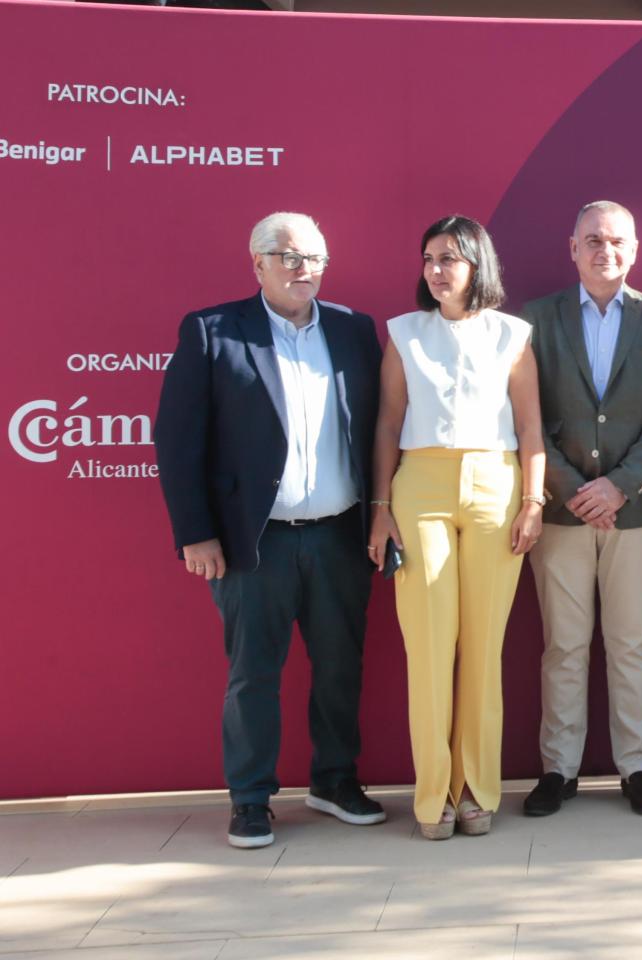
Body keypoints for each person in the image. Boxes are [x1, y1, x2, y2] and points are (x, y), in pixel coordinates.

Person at [156, 212, 385, 849]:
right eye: (289, 256)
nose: (304, 268)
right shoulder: (213, 331)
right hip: (253, 542)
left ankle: (335, 782)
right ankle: (251, 798)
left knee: (339, 668)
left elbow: (378, 429)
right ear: (257, 263)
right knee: (254, 673)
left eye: (315, 257)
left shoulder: (354, 330)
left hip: (339, 535)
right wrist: (196, 533)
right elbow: (178, 442)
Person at [368, 215, 546, 839]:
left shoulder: (513, 334)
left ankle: (477, 789)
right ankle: (433, 796)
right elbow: (388, 423)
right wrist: (380, 507)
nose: (436, 270)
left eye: (449, 258)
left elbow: (530, 426)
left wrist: (534, 501)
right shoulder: (404, 333)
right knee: (429, 646)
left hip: (497, 487)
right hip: (419, 487)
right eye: (429, 258)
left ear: (477, 264)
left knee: (483, 649)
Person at [519, 201, 642, 818]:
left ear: (634, 250)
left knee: (630, 642)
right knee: (563, 645)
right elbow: (526, 416)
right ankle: (558, 770)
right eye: (592, 239)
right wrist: (572, 489)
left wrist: (619, 486)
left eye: (616, 241)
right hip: (561, 511)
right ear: (573, 247)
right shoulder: (534, 320)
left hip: (634, 510)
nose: (604, 250)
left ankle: (637, 766)